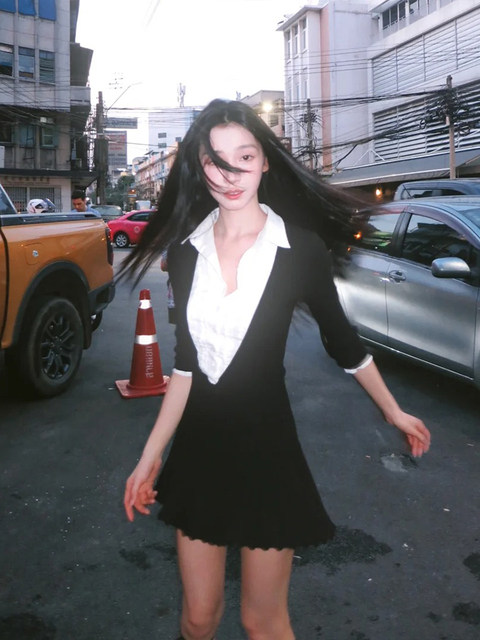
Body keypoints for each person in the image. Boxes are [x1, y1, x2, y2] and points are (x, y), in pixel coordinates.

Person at [122, 99, 431, 640]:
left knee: (261, 623)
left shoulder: (299, 249)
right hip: (198, 452)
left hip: (267, 450)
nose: (230, 175)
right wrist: (150, 457)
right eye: (215, 161)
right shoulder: (187, 254)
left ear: (265, 162)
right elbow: (187, 367)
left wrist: (394, 411)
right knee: (198, 620)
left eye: (244, 157)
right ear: (198, 167)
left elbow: (343, 343)